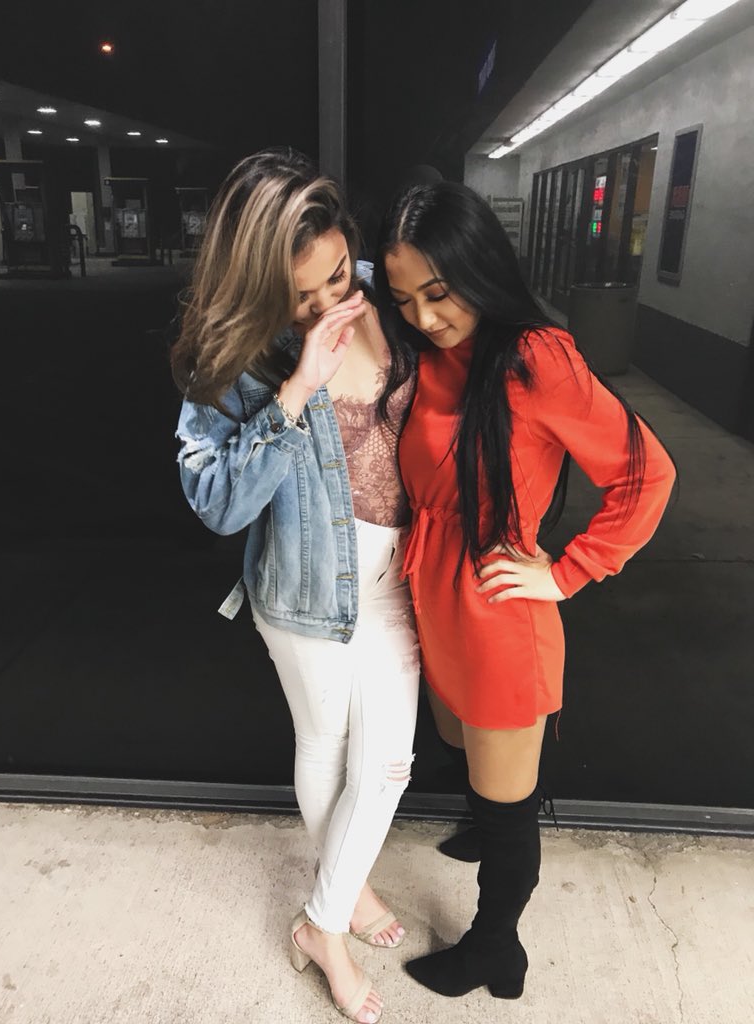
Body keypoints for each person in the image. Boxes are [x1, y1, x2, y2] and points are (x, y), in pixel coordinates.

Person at [372, 181, 676, 1000]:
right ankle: (489, 814)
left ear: (480, 268)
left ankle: (496, 951)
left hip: (497, 614)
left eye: (439, 292)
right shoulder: (426, 355)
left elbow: (647, 475)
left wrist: (568, 570)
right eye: (404, 298)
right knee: (455, 739)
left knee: (506, 800)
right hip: (433, 597)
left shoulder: (536, 358)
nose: (424, 316)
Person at [172, 148, 420, 1024]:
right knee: (327, 747)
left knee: (387, 764)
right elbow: (216, 503)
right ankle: (339, 920)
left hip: (396, 578)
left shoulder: (386, 295)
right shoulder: (237, 355)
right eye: (299, 295)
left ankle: (321, 916)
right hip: (305, 588)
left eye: (335, 278)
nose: (326, 306)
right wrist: (299, 384)